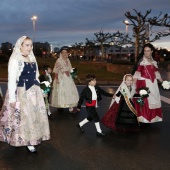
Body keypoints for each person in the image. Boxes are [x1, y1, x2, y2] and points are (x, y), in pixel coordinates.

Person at [0, 36, 50, 153]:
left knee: (34, 117)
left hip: (34, 92)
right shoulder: (15, 60)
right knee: (24, 118)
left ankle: (33, 138)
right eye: (27, 45)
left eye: (31, 45)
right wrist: (12, 99)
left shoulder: (31, 58)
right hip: (22, 92)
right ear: (20, 46)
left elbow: (36, 75)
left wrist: (41, 89)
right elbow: (12, 80)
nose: (30, 47)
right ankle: (27, 142)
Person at [133, 43, 163, 123]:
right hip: (143, 83)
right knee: (145, 101)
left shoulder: (154, 62)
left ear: (151, 51)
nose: (146, 52)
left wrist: (163, 82)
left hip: (153, 84)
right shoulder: (141, 61)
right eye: (145, 51)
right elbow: (136, 73)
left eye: (148, 51)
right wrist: (133, 85)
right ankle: (144, 118)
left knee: (154, 100)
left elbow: (156, 73)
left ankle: (152, 118)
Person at [50, 46, 79, 112]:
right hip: (61, 78)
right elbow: (56, 70)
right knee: (61, 92)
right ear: (61, 53)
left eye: (66, 52)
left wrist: (74, 75)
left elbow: (70, 69)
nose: (65, 54)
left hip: (68, 78)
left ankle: (70, 107)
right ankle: (61, 105)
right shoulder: (59, 60)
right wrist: (56, 78)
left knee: (70, 91)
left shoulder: (68, 60)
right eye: (63, 52)